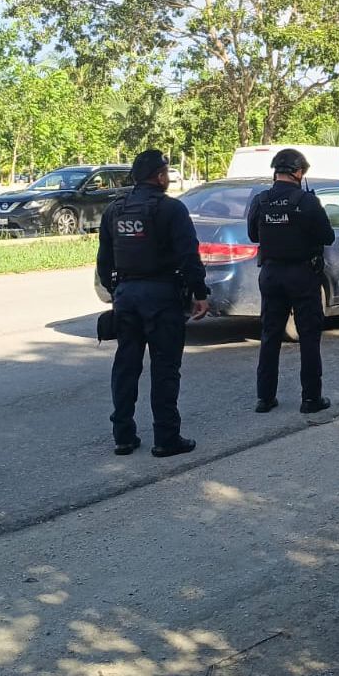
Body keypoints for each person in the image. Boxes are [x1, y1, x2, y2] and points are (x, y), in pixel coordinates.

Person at [96, 149, 209, 458]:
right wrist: (200, 293)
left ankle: (123, 436)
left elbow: (104, 262)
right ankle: (166, 438)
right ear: (160, 177)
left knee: (126, 367)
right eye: (166, 173)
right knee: (165, 368)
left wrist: (117, 292)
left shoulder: (115, 210)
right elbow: (188, 255)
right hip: (162, 298)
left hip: (127, 297)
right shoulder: (171, 209)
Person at [247, 148, 337, 414]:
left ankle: (265, 398)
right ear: (298, 172)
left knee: (270, 335)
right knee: (308, 337)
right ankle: (311, 399)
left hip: (271, 275)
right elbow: (328, 236)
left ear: (276, 172)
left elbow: (253, 235)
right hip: (302, 275)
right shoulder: (307, 202)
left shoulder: (261, 200)